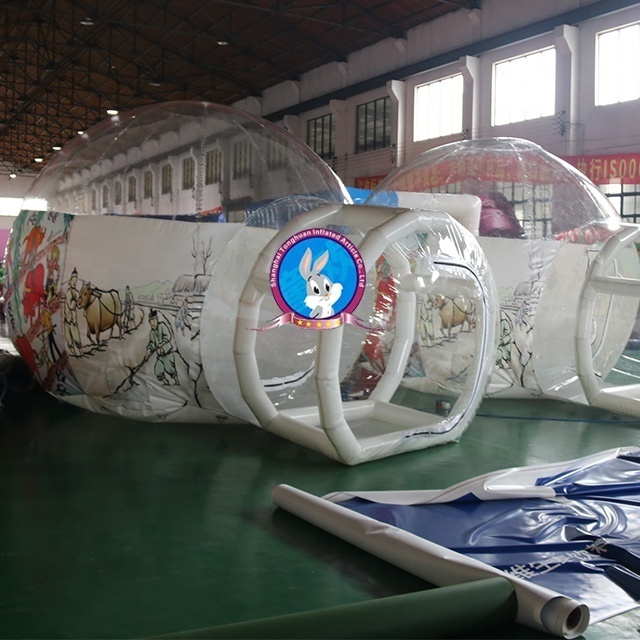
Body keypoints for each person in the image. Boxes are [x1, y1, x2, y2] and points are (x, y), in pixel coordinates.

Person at [146, 309, 179, 386]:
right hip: (160, 356)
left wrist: (162, 343)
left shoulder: (162, 326)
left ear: (157, 320)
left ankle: (176, 381)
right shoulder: (152, 333)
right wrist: (149, 350)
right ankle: (166, 383)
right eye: (151, 322)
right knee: (157, 370)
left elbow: (168, 336)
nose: (153, 324)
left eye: (154, 321)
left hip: (168, 353)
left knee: (170, 369)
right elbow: (152, 343)